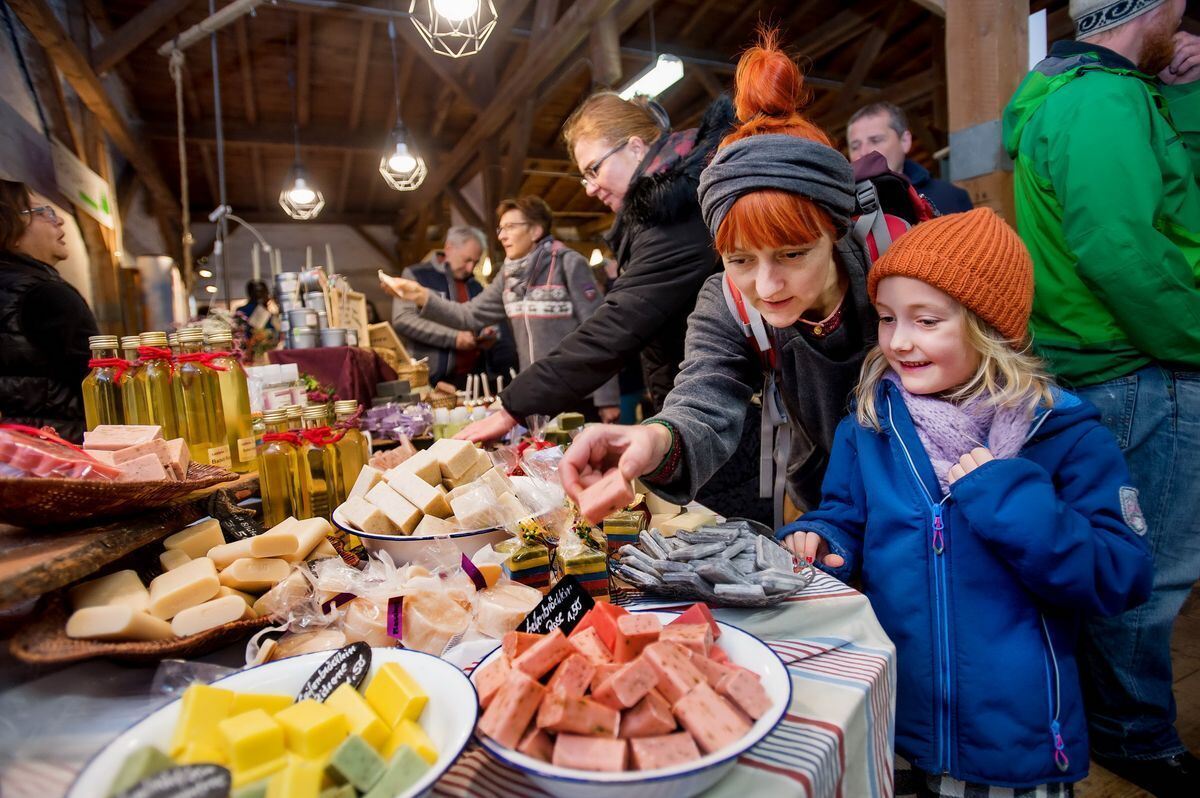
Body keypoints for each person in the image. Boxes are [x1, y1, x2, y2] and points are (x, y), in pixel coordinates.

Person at [779, 208, 1152, 796]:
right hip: (896, 718)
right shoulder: (870, 424)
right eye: (886, 318)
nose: (900, 341)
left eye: (926, 320)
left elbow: (1119, 576)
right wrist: (825, 539)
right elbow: (845, 515)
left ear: (990, 328)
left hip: (1015, 737)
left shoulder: (1063, 436)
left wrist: (1009, 498)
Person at [1002, 0, 1200, 791]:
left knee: (1122, 561)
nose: (1185, 18)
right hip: (1140, 364)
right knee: (1149, 572)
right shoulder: (1103, 101)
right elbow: (1124, 251)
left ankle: (1111, 722)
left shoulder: (1092, 93)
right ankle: (1136, 738)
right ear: (1147, 7)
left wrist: (1181, 88)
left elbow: (1171, 198)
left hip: (1110, 364)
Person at [559, 32, 877, 524]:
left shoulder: (898, 265)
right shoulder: (727, 300)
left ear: (836, 231)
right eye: (740, 259)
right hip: (829, 511)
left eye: (792, 253)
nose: (767, 288)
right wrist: (652, 438)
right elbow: (704, 395)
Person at [430, 90, 737, 446]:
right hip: (693, 405)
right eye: (585, 177)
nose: (590, 189)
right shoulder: (659, 216)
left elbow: (611, 327)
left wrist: (512, 408)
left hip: (716, 412)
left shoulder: (676, 219)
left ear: (636, 148)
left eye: (594, 169)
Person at [381, 197, 618, 416]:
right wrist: (421, 296)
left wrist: (607, 399)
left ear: (535, 230)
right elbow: (468, 315)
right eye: (501, 228)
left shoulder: (568, 263)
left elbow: (598, 329)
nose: (502, 236)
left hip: (578, 393)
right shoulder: (508, 275)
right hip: (537, 393)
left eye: (511, 227)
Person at [0, 180, 98, 442]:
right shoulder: (45, 294)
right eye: (42, 212)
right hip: (57, 450)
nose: (59, 222)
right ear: (10, 226)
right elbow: (97, 378)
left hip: (12, 452)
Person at [389, 226, 505, 389]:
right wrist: (453, 338)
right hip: (432, 380)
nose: (471, 268)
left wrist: (488, 332)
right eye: (467, 260)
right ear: (449, 248)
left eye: (475, 262)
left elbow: (487, 321)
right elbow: (403, 319)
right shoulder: (417, 276)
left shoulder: (476, 285)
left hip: (474, 380)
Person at [847, 101, 973, 214]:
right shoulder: (841, 206)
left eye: (875, 140)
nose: (863, 152)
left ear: (904, 141)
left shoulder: (950, 197)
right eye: (855, 146)